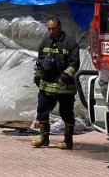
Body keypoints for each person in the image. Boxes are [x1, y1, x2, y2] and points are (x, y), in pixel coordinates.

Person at [32, 15, 81, 150]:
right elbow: (40, 62)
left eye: (53, 28)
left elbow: (74, 65)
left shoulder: (70, 44)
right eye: (49, 29)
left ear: (59, 27)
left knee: (66, 113)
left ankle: (68, 141)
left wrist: (64, 77)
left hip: (64, 88)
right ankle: (43, 138)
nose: (51, 31)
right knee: (41, 111)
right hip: (46, 85)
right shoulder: (45, 42)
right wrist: (38, 75)